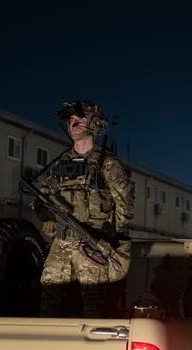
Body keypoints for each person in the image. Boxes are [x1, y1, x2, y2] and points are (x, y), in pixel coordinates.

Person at [34, 100, 134, 317]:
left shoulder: (107, 164)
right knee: (48, 301)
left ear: (95, 124)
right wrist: (46, 217)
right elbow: (39, 196)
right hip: (62, 242)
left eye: (81, 119)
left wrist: (110, 238)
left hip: (92, 242)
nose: (74, 123)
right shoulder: (59, 164)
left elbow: (124, 207)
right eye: (70, 120)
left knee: (94, 306)